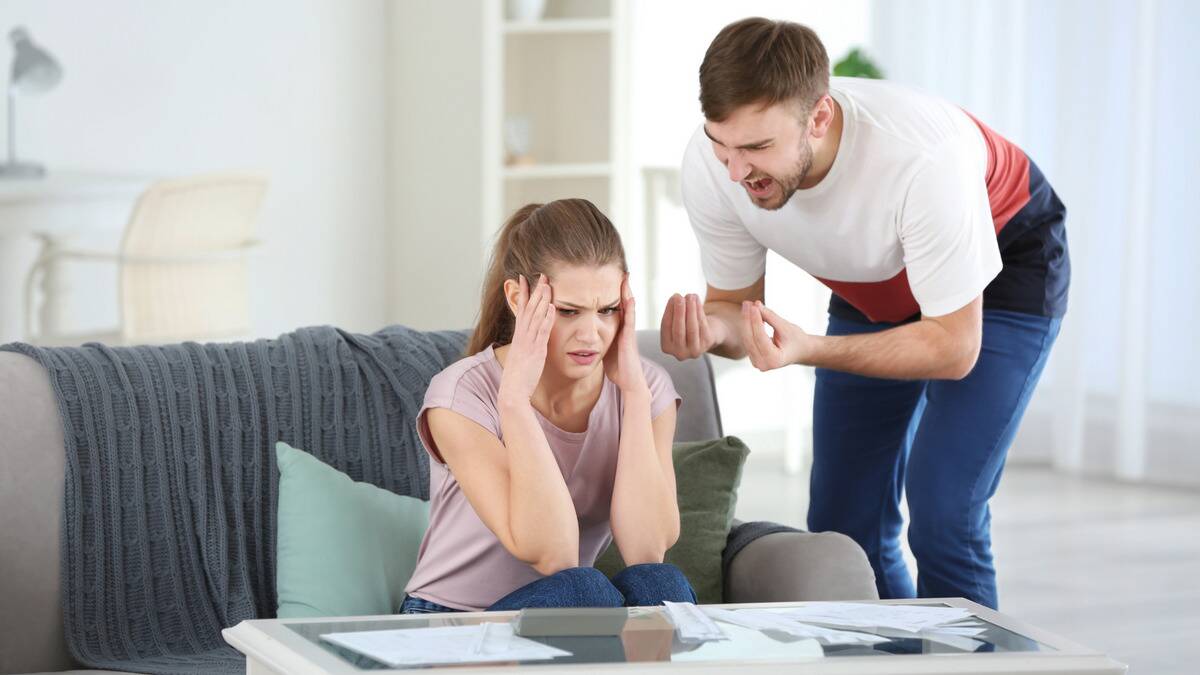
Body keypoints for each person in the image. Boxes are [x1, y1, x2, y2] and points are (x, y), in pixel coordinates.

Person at [660, 18, 1068, 610]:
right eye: (721, 144)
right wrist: (709, 331)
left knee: (944, 510)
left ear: (819, 118)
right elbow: (730, 307)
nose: (735, 171)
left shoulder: (922, 158)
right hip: (875, 279)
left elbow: (954, 348)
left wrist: (810, 349)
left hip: (1005, 266)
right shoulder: (714, 165)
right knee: (843, 521)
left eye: (756, 148)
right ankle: (889, 659)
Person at [401, 198, 695, 614]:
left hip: (567, 621)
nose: (591, 335)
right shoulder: (460, 396)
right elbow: (554, 555)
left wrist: (633, 395)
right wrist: (515, 401)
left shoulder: (646, 389)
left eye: (607, 310)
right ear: (519, 299)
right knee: (581, 590)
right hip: (452, 621)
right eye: (569, 312)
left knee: (659, 583)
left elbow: (647, 549)